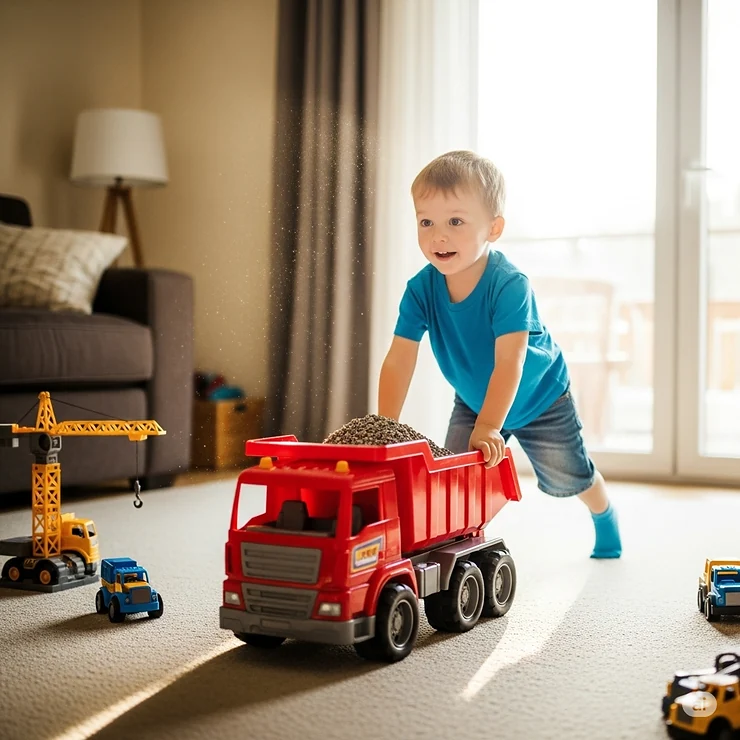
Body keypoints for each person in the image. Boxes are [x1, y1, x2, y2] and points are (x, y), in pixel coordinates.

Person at [377, 150, 621, 559]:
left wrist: (491, 426)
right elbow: (400, 358)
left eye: (455, 221)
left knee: (570, 477)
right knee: (454, 477)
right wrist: (384, 426)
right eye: (426, 222)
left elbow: (511, 361)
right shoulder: (420, 289)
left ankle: (604, 513)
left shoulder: (509, 285)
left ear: (494, 228)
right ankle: (458, 545)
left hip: (540, 397)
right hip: (475, 398)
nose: (438, 236)